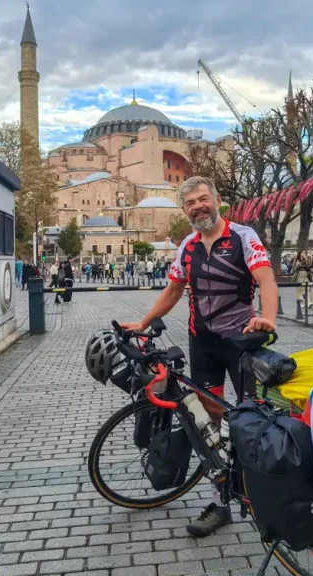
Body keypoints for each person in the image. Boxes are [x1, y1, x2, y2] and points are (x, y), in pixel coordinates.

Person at [121, 176, 278, 537]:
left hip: (241, 341)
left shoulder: (243, 237)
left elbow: (266, 281)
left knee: (251, 417)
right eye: (190, 203)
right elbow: (174, 289)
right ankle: (221, 501)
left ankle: (265, 490)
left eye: (203, 199)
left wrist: (267, 318)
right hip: (202, 343)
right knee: (209, 423)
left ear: (218, 200)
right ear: (184, 210)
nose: (198, 206)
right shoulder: (187, 246)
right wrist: (143, 323)